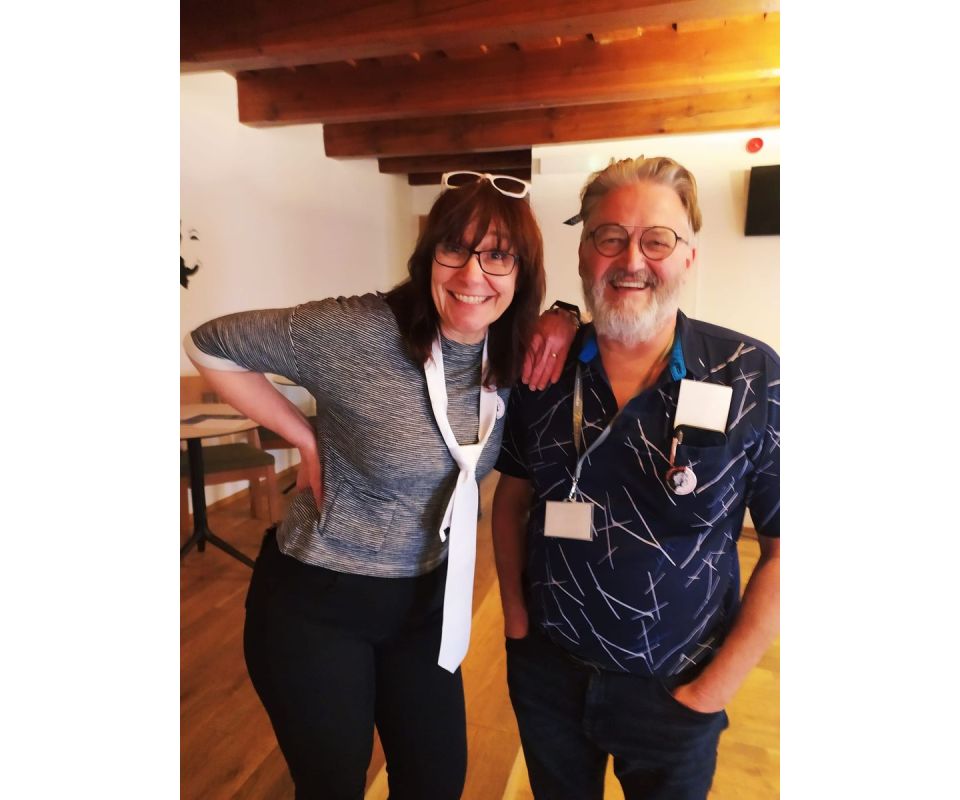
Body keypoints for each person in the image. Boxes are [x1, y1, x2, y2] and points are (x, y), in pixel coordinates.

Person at [183, 172, 575, 800]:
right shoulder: (357, 330)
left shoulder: (509, 349)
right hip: (319, 600)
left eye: (498, 255)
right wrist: (304, 437)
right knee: (333, 785)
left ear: (521, 272)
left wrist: (566, 315)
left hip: (425, 603)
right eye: (454, 248)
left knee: (435, 781)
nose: (473, 274)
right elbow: (209, 344)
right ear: (428, 256)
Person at [492, 156, 780, 800]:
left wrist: (712, 693)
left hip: (677, 690)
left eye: (657, 240)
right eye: (610, 237)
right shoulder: (544, 370)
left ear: (689, 258)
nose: (631, 260)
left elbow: (786, 550)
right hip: (550, 676)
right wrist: (516, 629)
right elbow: (510, 499)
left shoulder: (750, 373)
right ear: (583, 253)